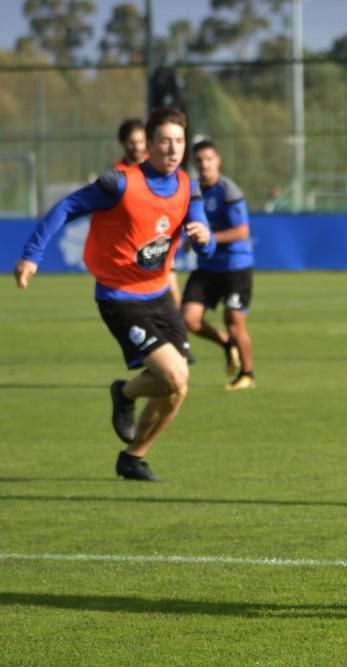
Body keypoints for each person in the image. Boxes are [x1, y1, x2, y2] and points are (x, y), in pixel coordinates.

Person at [14, 107, 216, 482]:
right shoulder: (121, 183)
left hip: (160, 296)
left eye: (179, 141)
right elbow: (67, 207)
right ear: (150, 145)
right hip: (120, 297)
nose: (173, 150)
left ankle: (133, 456)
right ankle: (125, 395)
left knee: (178, 388)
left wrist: (205, 238)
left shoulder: (189, 186)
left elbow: (205, 239)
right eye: (165, 142)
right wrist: (31, 254)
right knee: (173, 374)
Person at [181, 139, 255, 390]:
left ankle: (247, 375)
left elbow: (242, 231)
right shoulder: (192, 191)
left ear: (218, 161)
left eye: (209, 159)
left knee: (233, 320)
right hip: (208, 267)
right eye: (199, 161)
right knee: (189, 319)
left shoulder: (228, 191)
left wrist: (208, 237)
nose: (204, 165)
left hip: (236, 266)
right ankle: (226, 344)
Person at [116, 118, 185, 310]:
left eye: (140, 141)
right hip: (130, 250)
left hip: (157, 241)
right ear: (123, 143)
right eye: (132, 142)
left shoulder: (158, 166)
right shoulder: (117, 174)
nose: (137, 146)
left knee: (172, 292)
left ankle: (178, 336)